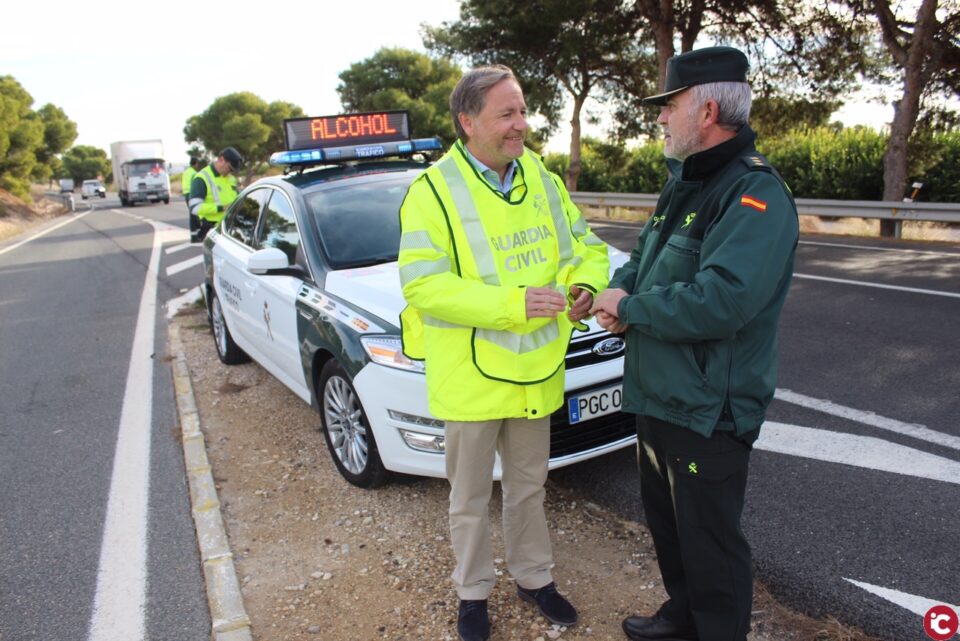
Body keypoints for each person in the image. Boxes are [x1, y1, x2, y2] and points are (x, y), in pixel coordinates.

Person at [589, 46, 799, 641]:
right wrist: (615, 293)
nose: (660, 117)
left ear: (706, 112)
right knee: (671, 527)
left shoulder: (753, 193)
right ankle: (682, 616)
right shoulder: (683, 182)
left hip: (709, 408)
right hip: (660, 394)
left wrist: (632, 310)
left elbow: (723, 301)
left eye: (669, 105)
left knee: (711, 542)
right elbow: (644, 259)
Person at [398, 65, 610, 641]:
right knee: (468, 498)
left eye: (522, 111)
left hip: (535, 369)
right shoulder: (431, 192)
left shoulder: (541, 176)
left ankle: (534, 578)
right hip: (470, 377)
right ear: (467, 122)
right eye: (507, 114)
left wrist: (585, 285)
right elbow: (423, 285)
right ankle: (473, 593)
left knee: (529, 486)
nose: (521, 124)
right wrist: (513, 304)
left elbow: (584, 247)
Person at [189, 147, 242, 242]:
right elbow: (194, 207)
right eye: (229, 168)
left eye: (232, 171)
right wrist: (221, 208)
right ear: (221, 160)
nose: (230, 172)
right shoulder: (202, 178)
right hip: (212, 231)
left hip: (230, 229)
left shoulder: (231, 179)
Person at [182, 156, 203, 227]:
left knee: (192, 213)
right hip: (192, 194)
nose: (198, 165)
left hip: (186, 193)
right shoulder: (194, 173)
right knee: (195, 213)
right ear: (196, 163)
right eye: (198, 163)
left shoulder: (186, 172)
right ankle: (197, 229)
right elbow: (196, 185)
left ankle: (194, 229)